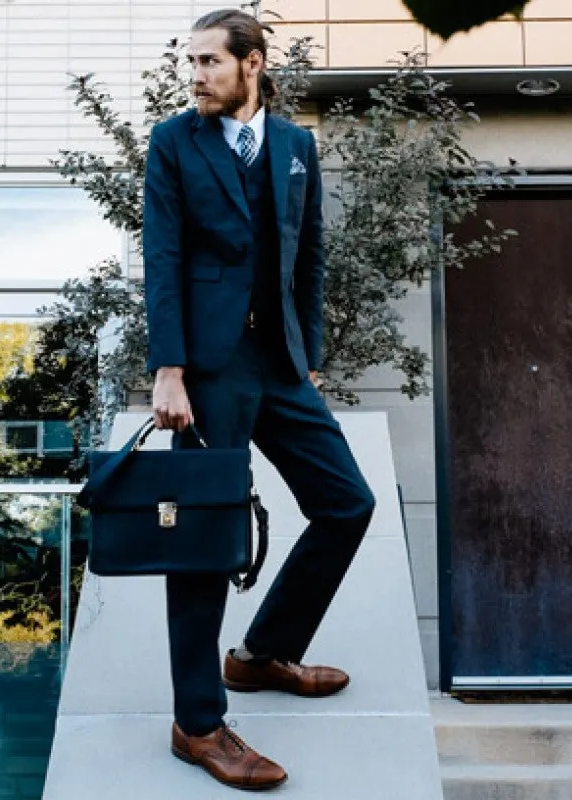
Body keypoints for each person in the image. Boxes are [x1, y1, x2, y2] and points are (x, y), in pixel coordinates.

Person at [142, 8, 377, 792]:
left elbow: (308, 257)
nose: (196, 75)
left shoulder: (296, 146)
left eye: (210, 61)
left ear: (253, 63)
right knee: (205, 540)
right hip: (207, 369)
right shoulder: (175, 142)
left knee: (347, 503)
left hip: (279, 363)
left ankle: (262, 653)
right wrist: (169, 368)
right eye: (191, 63)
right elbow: (163, 255)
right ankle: (198, 724)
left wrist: (305, 356)